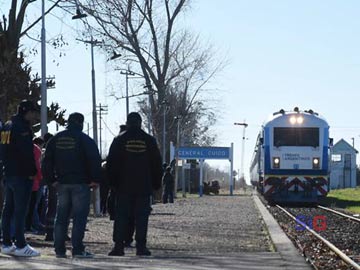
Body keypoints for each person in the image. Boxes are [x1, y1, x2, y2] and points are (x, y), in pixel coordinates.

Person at [42, 113, 101, 258]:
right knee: (79, 218)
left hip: (61, 184)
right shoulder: (85, 139)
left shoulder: (56, 139)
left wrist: (52, 180)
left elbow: (46, 161)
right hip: (81, 184)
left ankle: (59, 250)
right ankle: (78, 249)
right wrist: (95, 179)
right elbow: (94, 159)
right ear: (81, 123)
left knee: (61, 217)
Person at [107, 112, 162, 256]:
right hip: (143, 185)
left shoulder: (119, 139)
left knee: (121, 217)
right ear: (140, 123)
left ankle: (119, 247)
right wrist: (156, 184)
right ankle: (141, 247)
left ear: (127, 122)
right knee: (142, 217)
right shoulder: (149, 140)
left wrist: (112, 183)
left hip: (123, 186)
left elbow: (111, 163)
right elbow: (157, 164)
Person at [1, 100, 40, 257]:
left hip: (8, 173)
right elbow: (26, 152)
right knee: (20, 210)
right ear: (26, 111)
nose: (34, 115)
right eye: (33, 112)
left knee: (8, 209)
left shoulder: (7, 125)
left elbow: (3, 149)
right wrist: (32, 171)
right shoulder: (22, 127)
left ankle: (6, 243)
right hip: (21, 174)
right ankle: (21, 245)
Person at [25, 139, 43, 232]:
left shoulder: (17, 146)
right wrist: (41, 178)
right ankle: (30, 225)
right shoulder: (36, 149)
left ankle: (25, 226)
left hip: (20, 180)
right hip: (34, 182)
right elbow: (37, 166)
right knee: (32, 206)